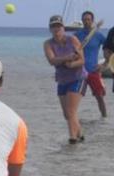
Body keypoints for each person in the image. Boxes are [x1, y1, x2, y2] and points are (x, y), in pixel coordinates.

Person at [43, 14, 86, 144]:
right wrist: (67, 58)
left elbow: (82, 61)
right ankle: (81, 135)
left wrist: (72, 64)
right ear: (50, 29)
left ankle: (72, 140)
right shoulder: (48, 44)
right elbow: (52, 60)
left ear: (63, 28)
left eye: (59, 27)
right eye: (53, 27)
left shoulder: (72, 40)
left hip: (78, 78)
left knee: (71, 111)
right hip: (62, 80)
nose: (57, 30)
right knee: (66, 115)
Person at [75, 10, 107, 118]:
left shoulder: (98, 35)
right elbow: (69, 50)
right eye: (84, 20)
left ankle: (104, 119)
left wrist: (105, 64)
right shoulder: (77, 35)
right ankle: (73, 119)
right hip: (80, 71)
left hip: (94, 71)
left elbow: (109, 49)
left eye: (88, 19)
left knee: (100, 97)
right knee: (75, 97)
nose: (86, 22)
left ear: (92, 21)